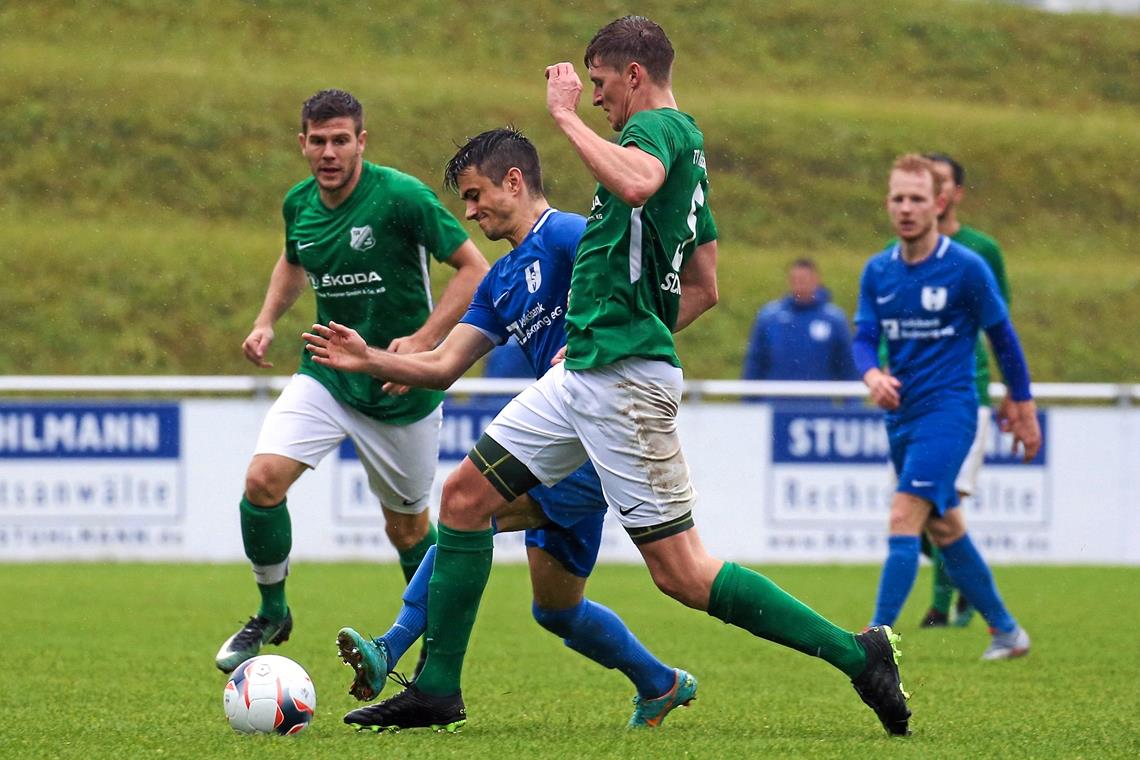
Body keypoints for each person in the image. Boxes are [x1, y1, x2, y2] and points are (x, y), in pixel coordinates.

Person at [308, 16, 910, 737]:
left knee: (682, 574)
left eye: (597, 83)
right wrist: (373, 357)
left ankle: (857, 654)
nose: (592, 98)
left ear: (634, 75)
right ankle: (436, 688)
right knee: (463, 498)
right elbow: (705, 282)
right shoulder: (675, 164)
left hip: (622, 381)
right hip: (588, 371)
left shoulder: (659, 134)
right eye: (583, 91)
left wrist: (560, 118)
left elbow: (635, 184)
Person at [308, 126, 692, 730]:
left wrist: (594, 346)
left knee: (467, 508)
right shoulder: (501, 278)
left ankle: (393, 646)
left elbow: (647, 294)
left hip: (594, 440)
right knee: (557, 611)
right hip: (559, 444)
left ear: (514, 182)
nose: (468, 210)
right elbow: (440, 367)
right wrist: (368, 357)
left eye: (474, 193)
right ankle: (661, 681)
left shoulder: (569, 234)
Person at [214, 89, 489, 673]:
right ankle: (272, 610)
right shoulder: (300, 204)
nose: (330, 152)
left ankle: (431, 651)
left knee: (408, 528)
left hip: (399, 387)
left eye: (342, 140)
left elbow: (474, 268)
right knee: (262, 481)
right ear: (303, 144)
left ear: (362, 141)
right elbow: (294, 259)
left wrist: (423, 343)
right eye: (319, 141)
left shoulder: (401, 197)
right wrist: (266, 321)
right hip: (328, 372)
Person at [853, 153, 1040, 661]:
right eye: (898, 198)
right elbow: (864, 337)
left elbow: (1003, 340)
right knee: (944, 525)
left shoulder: (966, 267)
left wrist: (1021, 402)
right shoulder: (878, 270)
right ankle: (1006, 631)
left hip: (952, 411)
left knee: (904, 513)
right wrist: (872, 373)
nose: (906, 208)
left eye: (917, 198)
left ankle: (876, 642)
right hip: (902, 415)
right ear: (887, 204)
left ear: (939, 203)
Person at [915, 153, 1013, 629]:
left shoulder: (979, 251)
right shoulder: (903, 255)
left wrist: (1015, 394)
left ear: (953, 194)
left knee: (938, 501)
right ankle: (972, 586)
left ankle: (942, 607)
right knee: (919, 516)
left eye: (940, 182)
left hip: (963, 393)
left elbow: (1000, 326)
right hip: (915, 396)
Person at [742, 258, 858, 384]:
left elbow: (847, 365)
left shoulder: (834, 319)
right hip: (777, 400)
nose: (799, 285)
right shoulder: (770, 317)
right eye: (794, 280)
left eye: (803, 280)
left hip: (819, 401)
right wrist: (750, 401)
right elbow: (755, 362)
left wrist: (852, 402)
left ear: (816, 280)